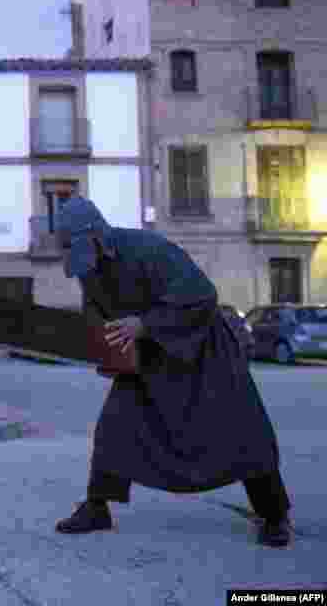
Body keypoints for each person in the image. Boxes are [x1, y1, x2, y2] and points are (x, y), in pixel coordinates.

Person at [53, 197, 292, 547]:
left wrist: (145, 324)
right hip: (147, 356)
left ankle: (274, 515)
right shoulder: (90, 268)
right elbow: (97, 311)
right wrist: (104, 348)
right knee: (115, 428)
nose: (80, 262)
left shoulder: (151, 249)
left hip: (203, 350)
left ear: (98, 236)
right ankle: (96, 508)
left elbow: (203, 296)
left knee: (243, 431)